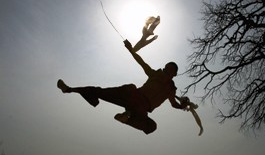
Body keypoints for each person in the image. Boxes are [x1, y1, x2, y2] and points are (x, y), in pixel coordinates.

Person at [57, 39, 186, 134]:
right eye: (165, 69)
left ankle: (126, 118)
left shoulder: (171, 89)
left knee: (152, 126)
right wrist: (130, 49)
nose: (165, 71)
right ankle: (69, 89)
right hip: (132, 97)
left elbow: (174, 104)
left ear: (174, 74)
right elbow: (141, 62)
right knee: (101, 92)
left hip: (141, 110)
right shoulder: (154, 74)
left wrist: (182, 106)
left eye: (168, 70)